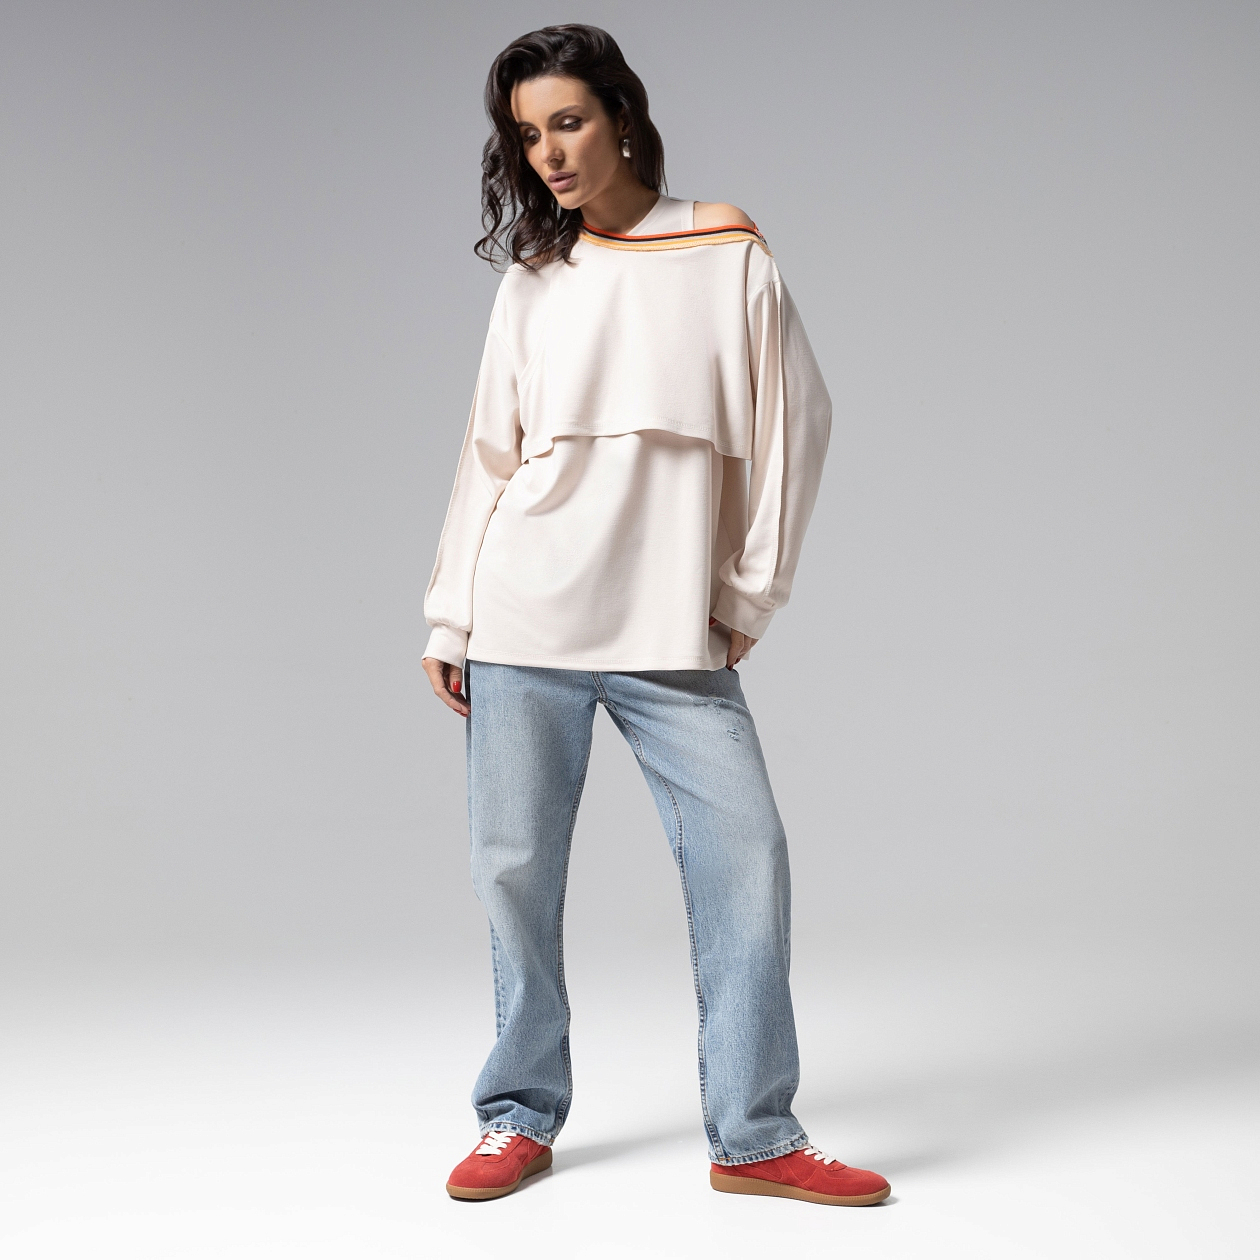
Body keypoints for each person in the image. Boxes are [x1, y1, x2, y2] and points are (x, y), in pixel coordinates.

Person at [422, 23, 890, 1208]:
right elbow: (488, 459)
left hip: (670, 626)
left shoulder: (723, 246)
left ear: (621, 117)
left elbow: (797, 421)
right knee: (514, 872)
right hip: (523, 615)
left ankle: (756, 1135)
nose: (549, 154)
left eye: (568, 122)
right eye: (528, 135)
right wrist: (450, 617)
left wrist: (750, 588)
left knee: (748, 857)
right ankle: (518, 1113)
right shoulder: (534, 281)